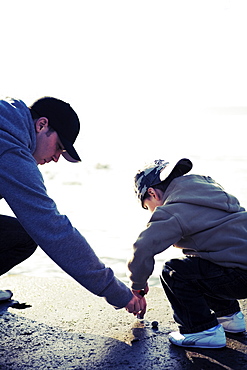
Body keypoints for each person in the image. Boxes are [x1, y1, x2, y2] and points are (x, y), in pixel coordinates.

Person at [0, 96, 146, 317]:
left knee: (22, 235)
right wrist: (117, 292)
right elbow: (53, 230)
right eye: (58, 147)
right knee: (30, 235)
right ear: (41, 125)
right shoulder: (11, 152)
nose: (56, 158)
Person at [128, 158, 247, 348]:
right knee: (203, 260)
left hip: (238, 278)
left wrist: (137, 286)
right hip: (240, 271)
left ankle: (201, 330)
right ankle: (230, 317)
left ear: (151, 192)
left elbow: (143, 248)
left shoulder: (174, 209)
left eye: (147, 206)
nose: (150, 212)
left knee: (174, 272)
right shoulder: (213, 193)